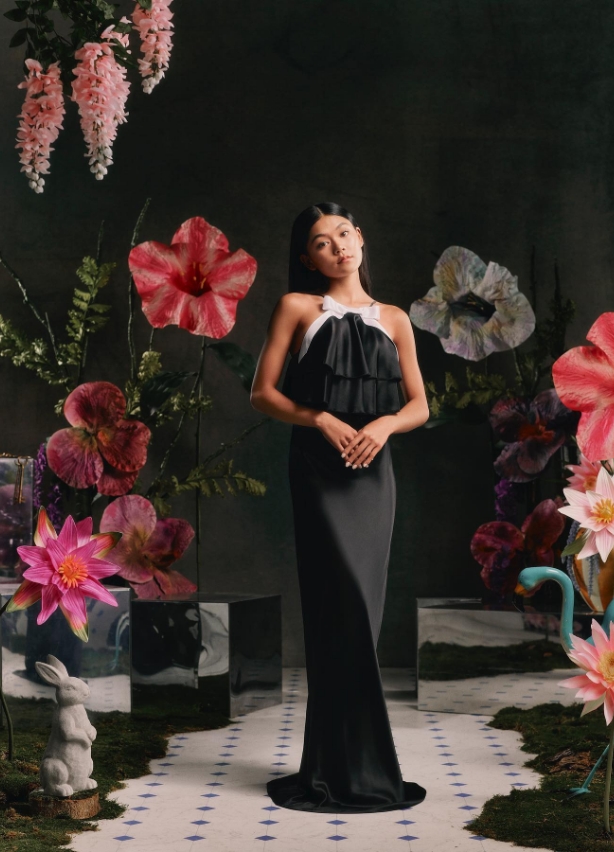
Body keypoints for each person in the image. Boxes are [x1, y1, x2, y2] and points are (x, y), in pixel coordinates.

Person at [250, 201, 429, 813]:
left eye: (345, 234)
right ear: (307, 258)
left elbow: (419, 405)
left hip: (373, 475)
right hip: (320, 472)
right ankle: (343, 770)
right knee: (337, 612)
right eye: (322, 242)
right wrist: (319, 417)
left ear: (362, 238)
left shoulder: (396, 319)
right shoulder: (297, 308)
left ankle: (345, 764)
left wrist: (382, 427)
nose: (338, 247)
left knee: (364, 616)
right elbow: (262, 393)